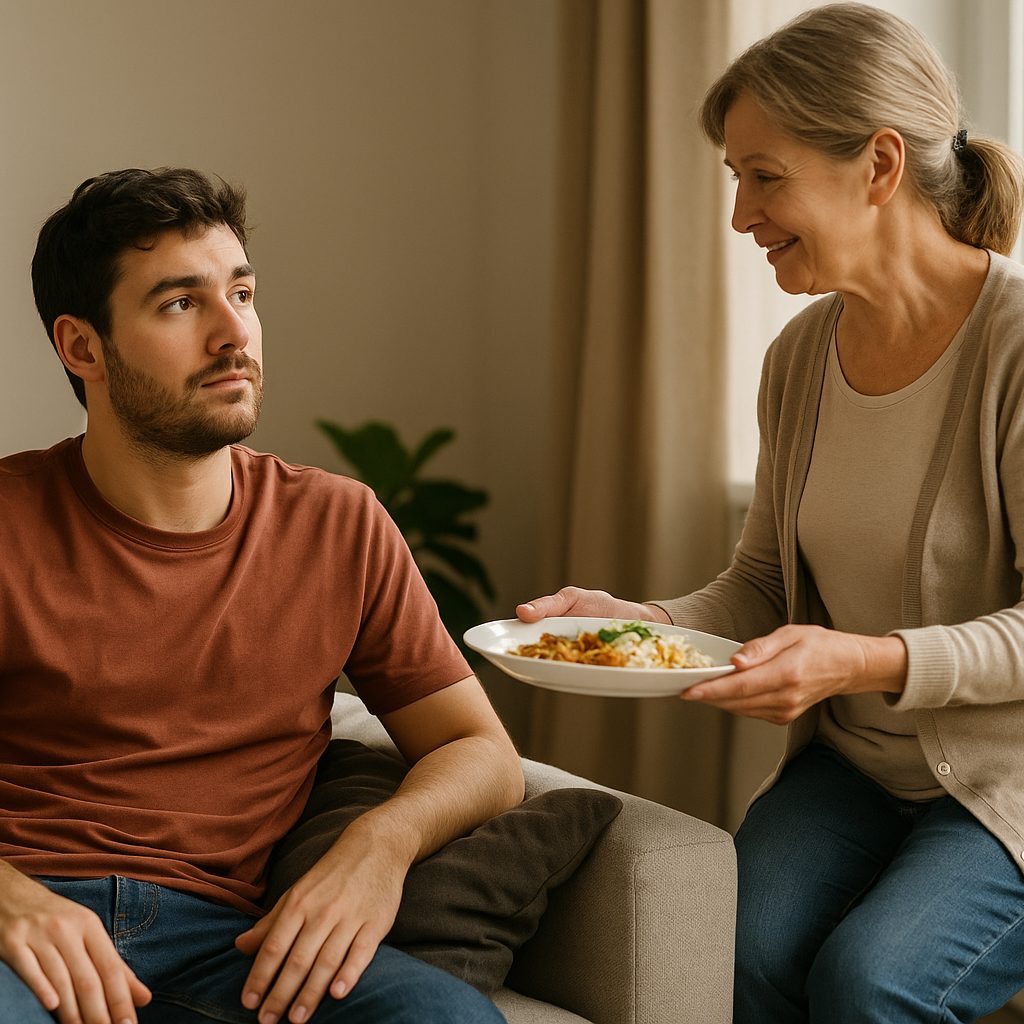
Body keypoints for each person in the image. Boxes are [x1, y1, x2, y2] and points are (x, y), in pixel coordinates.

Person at [518, 4, 1024, 1021]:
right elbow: (759, 583)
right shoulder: (800, 358)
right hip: (854, 768)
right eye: (735, 179)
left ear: (878, 165)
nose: (741, 217)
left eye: (764, 176)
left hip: (1006, 783)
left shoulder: (1012, 350)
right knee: (726, 955)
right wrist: (638, 631)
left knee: (867, 980)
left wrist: (863, 659)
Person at [0, 167, 523, 1024]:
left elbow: (482, 751)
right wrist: (8, 901)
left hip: (231, 946)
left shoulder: (337, 524)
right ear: (82, 347)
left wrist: (379, 844)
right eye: (179, 304)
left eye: (240, 293)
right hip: (25, 932)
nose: (232, 333)